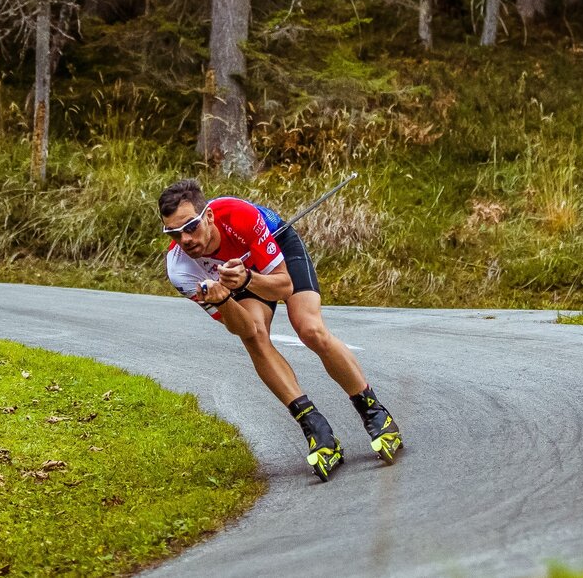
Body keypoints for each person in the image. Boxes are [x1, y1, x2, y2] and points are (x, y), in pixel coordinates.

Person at [158, 178, 403, 481]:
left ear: (208, 216)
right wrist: (223, 301)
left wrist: (247, 279)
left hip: (275, 256)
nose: (185, 239)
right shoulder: (180, 269)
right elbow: (244, 328)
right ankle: (316, 428)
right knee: (256, 339)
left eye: (190, 227)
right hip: (238, 278)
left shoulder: (239, 216)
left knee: (309, 328)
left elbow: (284, 286)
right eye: (174, 233)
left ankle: (374, 411)